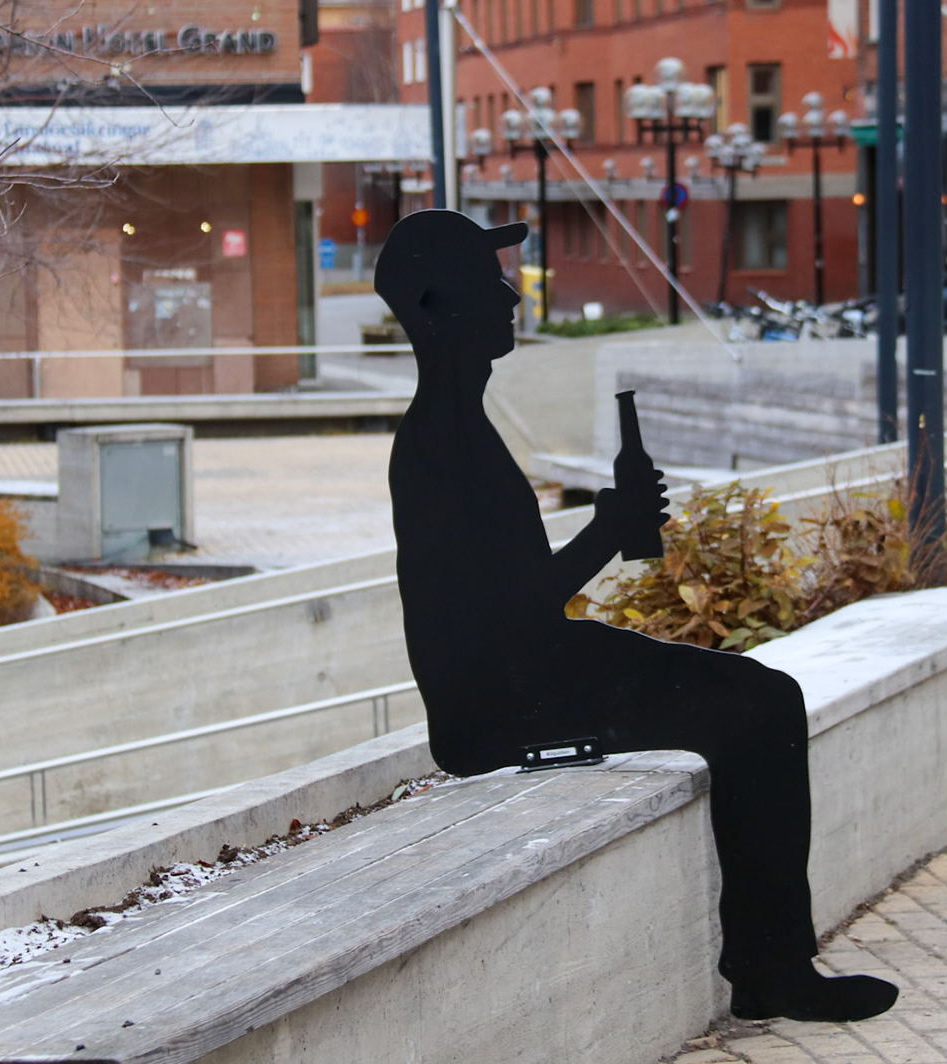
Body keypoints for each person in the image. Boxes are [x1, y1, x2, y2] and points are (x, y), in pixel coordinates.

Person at [375, 209, 898, 1023]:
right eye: (488, 282)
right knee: (760, 704)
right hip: (498, 704)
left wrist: (609, 530)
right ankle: (771, 970)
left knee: (761, 694)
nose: (510, 296)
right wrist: (610, 530)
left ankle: (772, 966)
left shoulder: (458, 429)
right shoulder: (441, 443)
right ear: (436, 306)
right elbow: (502, 616)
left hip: (522, 671)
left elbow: (506, 606)